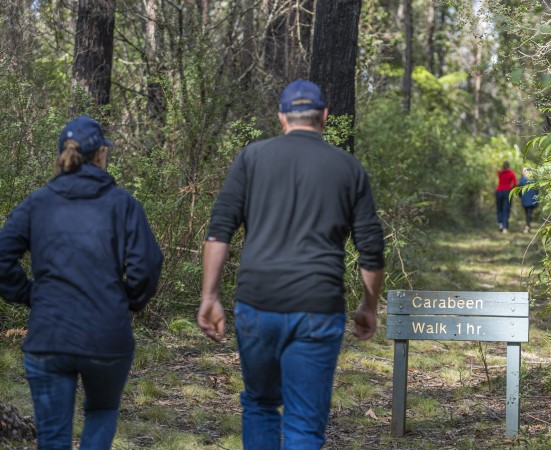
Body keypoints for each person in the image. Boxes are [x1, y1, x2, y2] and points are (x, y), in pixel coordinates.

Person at [197, 79, 385, 449]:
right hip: (318, 307)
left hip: (258, 303)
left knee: (261, 403)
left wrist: (210, 295)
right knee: (303, 425)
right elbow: (371, 250)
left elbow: (219, 231)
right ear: (325, 117)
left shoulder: (252, 157)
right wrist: (368, 307)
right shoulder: (347, 167)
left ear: (281, 117)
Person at [0, 115, 164, 449]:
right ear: (101, 154)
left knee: (53, 437)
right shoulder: (124, 204)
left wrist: (32, 294)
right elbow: (146, 266)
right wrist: (127, 300)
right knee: (102, 411)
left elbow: (2, 257)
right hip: (107, 337)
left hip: (49, 336)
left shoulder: (38, 203)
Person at [495, 161, 517, 233]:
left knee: (499, 209)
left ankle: (500, 224)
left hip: (499, 191)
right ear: (509, 166)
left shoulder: (500, 172)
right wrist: (511, 188)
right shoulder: (511, 173)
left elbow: (498, 170)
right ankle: (505, 227)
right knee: (506, 209)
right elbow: (514, 183)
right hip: (507, 191)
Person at [518, 168, 539, 233]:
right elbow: (537, 190)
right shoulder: (533, 180)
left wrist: (521, 196)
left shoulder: (522, 180)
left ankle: (527, 226)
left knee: (528, 212)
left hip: (526, 200)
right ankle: (528, 225)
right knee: (529, 213)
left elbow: (519, 190)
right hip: (531, 200)